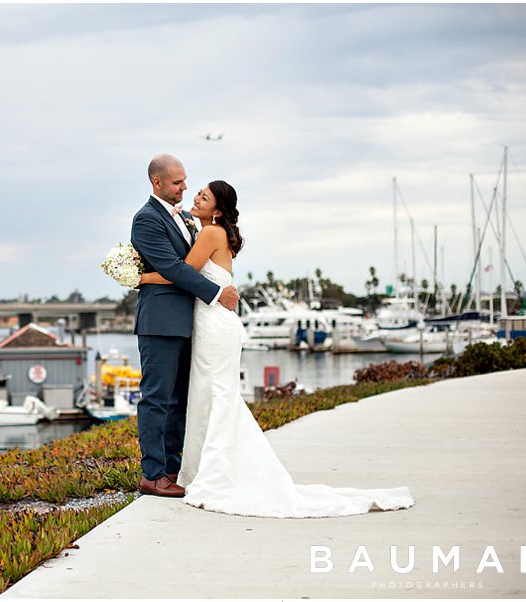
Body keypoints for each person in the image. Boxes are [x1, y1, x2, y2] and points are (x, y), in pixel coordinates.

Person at [139, 180, 414, 518]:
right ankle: (204, 469)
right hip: (212, 324)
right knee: (211, 396)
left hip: (213, 326)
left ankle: (212, 471)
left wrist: (138, 277)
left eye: (204, 196)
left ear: (219, 210)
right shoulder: (205, 229)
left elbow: (179, 273)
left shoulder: (210, 234)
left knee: (215, 396)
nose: (194, 195)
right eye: (195, 191)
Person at [130, 154, 240, 498]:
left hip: (192, 322)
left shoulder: (192, 222)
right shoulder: (147, 219)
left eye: (186, 180)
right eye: (178, 182)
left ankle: (174, 467)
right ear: (157, 183)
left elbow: (191, 264)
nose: (185, 187)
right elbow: (177, 268)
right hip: (161, 323)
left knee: (180, 401)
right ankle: (153, 474)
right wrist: (217, 293)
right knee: (156, 399)